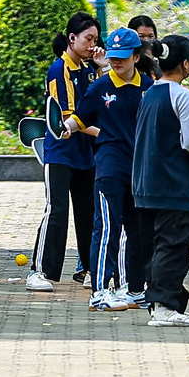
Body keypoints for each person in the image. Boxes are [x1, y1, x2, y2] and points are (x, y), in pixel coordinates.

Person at [131, 33, 189, 327]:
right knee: (174, 246)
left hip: (145, 185)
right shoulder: (182, 96)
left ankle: (161, 304)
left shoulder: (150, 93)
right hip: (173, 185)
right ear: (186, 64)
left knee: (154, 248)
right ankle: (164, 307)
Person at [78, 27, 149, 311]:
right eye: (113, 56)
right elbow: (80, 118)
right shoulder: (100, 87)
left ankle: (134, 289)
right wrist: (68, 128)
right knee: (107, 227)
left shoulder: (149, 87)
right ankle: (100, 290)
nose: (116, 62)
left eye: (122, 57)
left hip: (140, 170)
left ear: (136, 56)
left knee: (138, 230)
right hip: (109, 166)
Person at [30, 12, 100, 292]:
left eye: (96, 39)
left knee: (88, 212)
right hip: (60, 152)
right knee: (56, 211)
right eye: (88, 39)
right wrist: (104, 134)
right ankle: (39, 270)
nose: (93, 45)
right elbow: (69, 116)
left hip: (86, 154)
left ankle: (89, 268)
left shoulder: (89, 68)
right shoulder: (59, 70)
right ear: (72, 38)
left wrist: (102, 68)